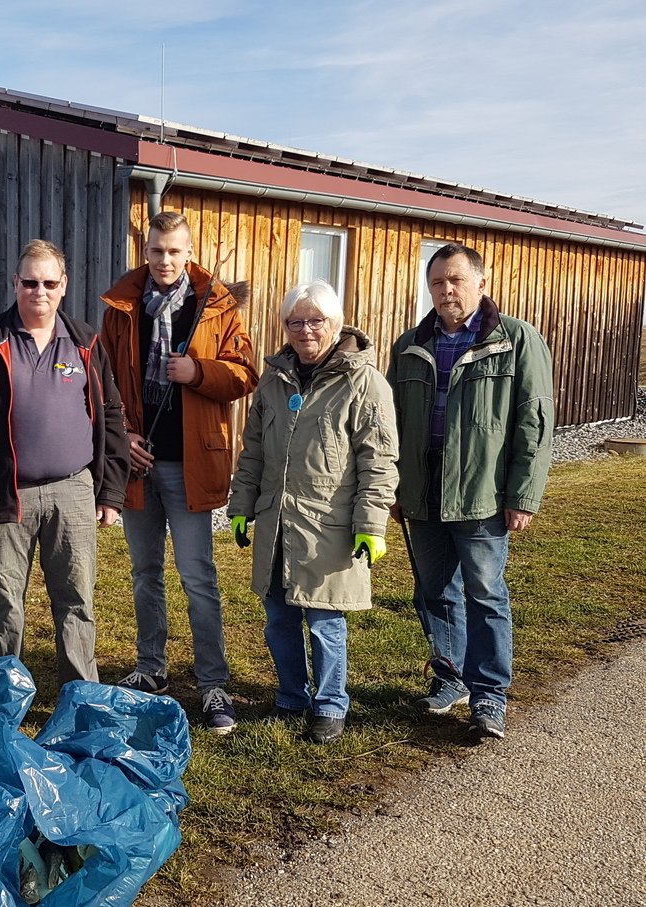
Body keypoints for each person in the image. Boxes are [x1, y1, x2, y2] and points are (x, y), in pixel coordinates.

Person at [100, 211, 259, 734]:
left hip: (192, 463)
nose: (165, 261)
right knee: (145, 575)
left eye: (174, 251)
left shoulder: (215, 305)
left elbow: (245, 373)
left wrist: (198, 372)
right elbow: (102, 382)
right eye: (156, 251)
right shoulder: (121, 305)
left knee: (198, 578)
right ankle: (152, 670)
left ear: (188, 252)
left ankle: (213, 683)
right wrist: (123, 436)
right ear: (145, 252)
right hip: (139, 465)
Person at [0, 239, 129, 684]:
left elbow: (111, 414)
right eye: (30, 282)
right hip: (9, 494)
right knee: (4, 603)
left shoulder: (85, 342)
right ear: (15, 283)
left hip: (74, 490)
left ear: (63, 285)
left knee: (76, 600)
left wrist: (111, 491)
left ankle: (81, 695)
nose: (39, 291)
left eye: (49, 282)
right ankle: (0, 694)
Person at [388, 242, 553, 740]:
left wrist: (522, 494)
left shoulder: (516, 340)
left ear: (482, 283)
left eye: (456, 280)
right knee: (433, 593)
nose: (446, 291)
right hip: (424, 493)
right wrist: (393, 487)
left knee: (485, 596)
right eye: (437, 282)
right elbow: (390, 424)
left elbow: (535, 422)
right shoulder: (410, 345)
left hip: (482, 496)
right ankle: (450, 677)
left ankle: (489, 697)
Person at [227, 280, 399, 744]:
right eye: (295, 321)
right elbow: (254, 451)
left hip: (329, 523)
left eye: (315, 320)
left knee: (324, 621)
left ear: (336, 324)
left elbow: (379, 459)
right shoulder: (274, 380)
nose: (305, 330)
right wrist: (241, 506)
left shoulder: (364, 382)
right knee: (278, 617)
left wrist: (371, 524)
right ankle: (291, 695)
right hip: (277, 521)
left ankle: (329, 704)